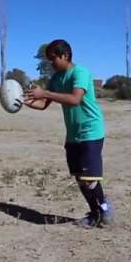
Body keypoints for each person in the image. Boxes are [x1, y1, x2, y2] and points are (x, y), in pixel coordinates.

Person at [24, 39, 114, 227]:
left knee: (89, 178)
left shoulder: (80, 72)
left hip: (91, 130)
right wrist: (21, 102)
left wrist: (46, 93)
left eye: (53, 59)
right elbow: (42, 104)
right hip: (73, 134)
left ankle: (105, 210)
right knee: (80, 178)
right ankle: (95, 213)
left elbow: (75, 99)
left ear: (65, 55)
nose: (51, 63)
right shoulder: (56, 79)